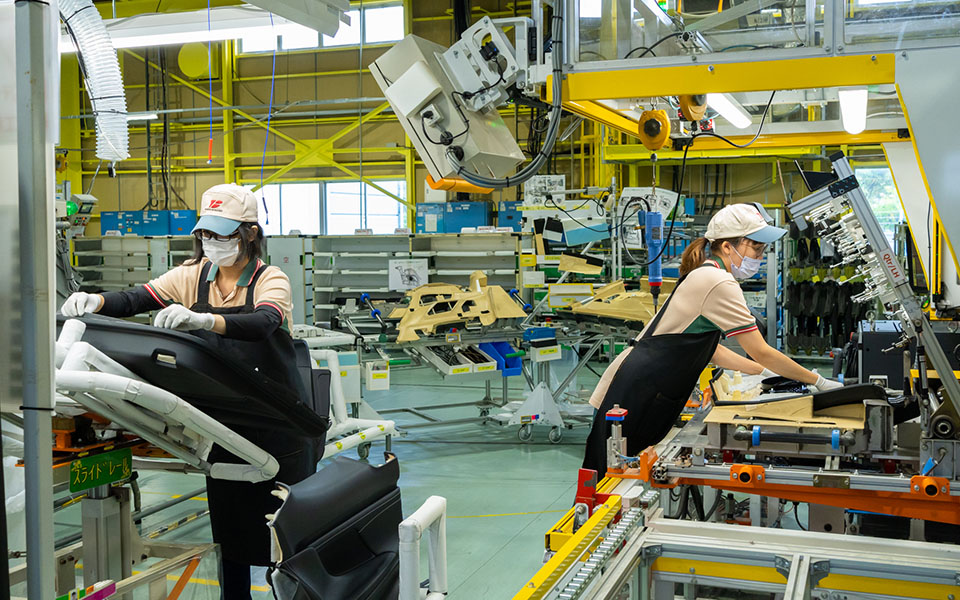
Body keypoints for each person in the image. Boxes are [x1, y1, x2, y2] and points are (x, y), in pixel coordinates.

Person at [60, 184, 317, 599]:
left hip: (279, 422)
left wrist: (205, 321)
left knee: (285, 534)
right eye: (206, 234)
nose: (211, 243)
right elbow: (136, 298)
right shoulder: (191, 276)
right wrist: (96, 301)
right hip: (222, 421)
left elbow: (263, 323)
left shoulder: (271, 278)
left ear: (249, 232)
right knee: (231, 532)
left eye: (222, 234)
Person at [582, 203, 842, 475]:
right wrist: (817, 381)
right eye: (755, 248)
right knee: (608, 476)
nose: (760, 256)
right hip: (637, 390)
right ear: (728, 247)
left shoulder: (708, 273)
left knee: (616, 470)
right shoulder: (718, 281)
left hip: (641, 382)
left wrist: (762, 372)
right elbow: (760, 350)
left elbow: (712, 349)